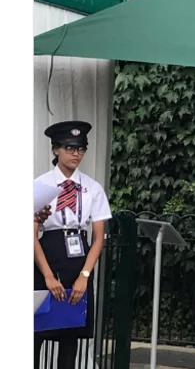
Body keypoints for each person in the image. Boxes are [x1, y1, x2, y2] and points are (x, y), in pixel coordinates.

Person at [34, 121, 112, 369]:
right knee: (36, 335)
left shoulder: (92, 188)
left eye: (81, 149)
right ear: (56, 149)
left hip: (78, 257)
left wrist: (85, 276)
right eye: (70, 148)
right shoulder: (41, 185)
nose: (76, 154)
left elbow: (99, 236)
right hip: (47, 255)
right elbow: (30, 232)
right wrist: (46, 275)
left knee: (71, 337)